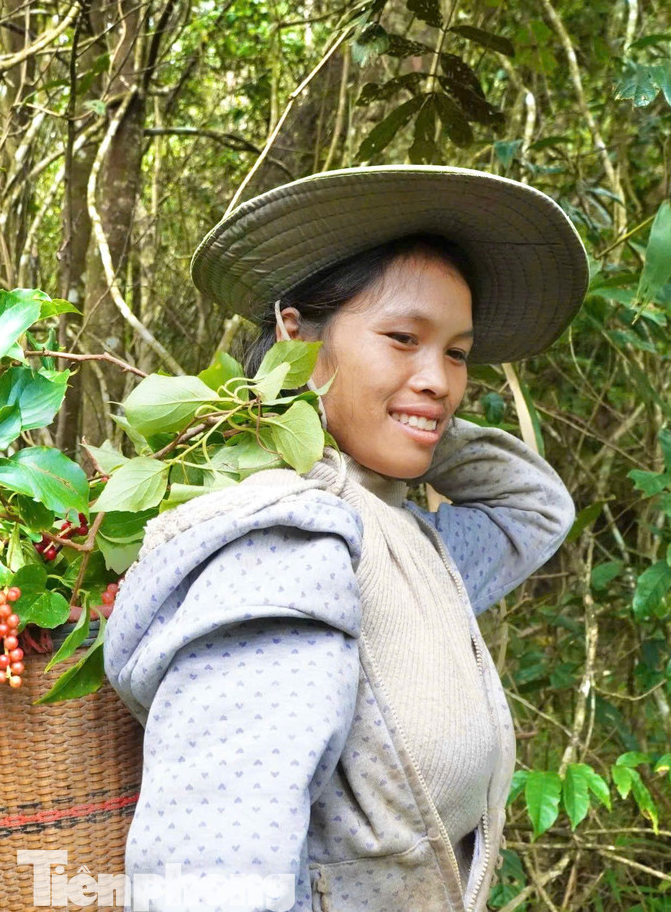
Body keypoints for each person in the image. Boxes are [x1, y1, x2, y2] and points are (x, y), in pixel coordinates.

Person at [103, 165, 588, 912]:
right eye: (402, 338)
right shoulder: (294, 545)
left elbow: (535, 508)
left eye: (456, 353)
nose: (442, 378)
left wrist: (404, 406)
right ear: (297, 334)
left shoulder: (399, 533)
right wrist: (332, 396)